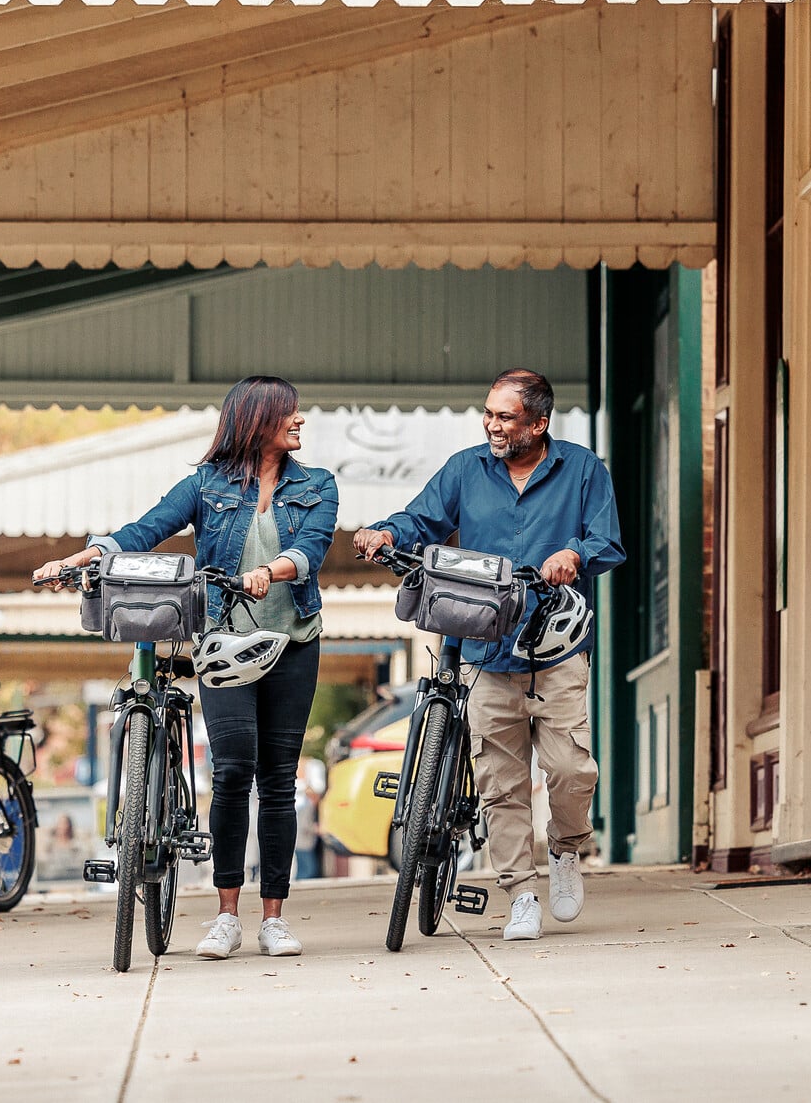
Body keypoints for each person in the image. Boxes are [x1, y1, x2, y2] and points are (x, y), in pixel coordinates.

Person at [34, 377, 338, 959]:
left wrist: (271, 572)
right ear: (258, 420)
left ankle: (274, 916)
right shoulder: (206, 485)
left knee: (278, 781)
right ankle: (227, 915)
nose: (301, 421)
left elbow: (312, 551)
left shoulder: (317, 485)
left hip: (294, 641)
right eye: (290, 413)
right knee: (231, 772)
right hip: (224, 640)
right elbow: (141, 532)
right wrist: (82, 556)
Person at [353, 369, 623, 943]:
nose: (492, 425)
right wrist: (384, 532)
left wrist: (573, 554)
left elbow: (606, 540)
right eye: (489, 413)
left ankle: (568, 850)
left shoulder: (582, 470)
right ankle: (520, 893)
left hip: (556, 645)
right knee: (501, 781)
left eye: (505, 416)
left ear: (539, 423)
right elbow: (420, 519)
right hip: (482, 646)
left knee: (571, 769)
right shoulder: (464, 469)